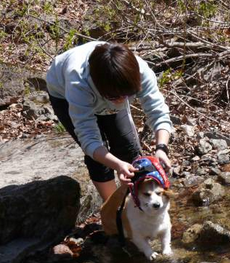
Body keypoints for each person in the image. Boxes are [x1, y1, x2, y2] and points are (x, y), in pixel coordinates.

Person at [46, 41, 173, 201]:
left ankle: (136, 203)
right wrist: (117, 165)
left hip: (108, 87)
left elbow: (158, 112)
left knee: (128, 147)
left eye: (127, 95)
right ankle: (114, 208)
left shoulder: (139, 71)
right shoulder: (77, 82)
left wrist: (162, 148)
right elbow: (89, 139)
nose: (121, 101)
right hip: (62, 93)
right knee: (99, 160)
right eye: (115, 97)